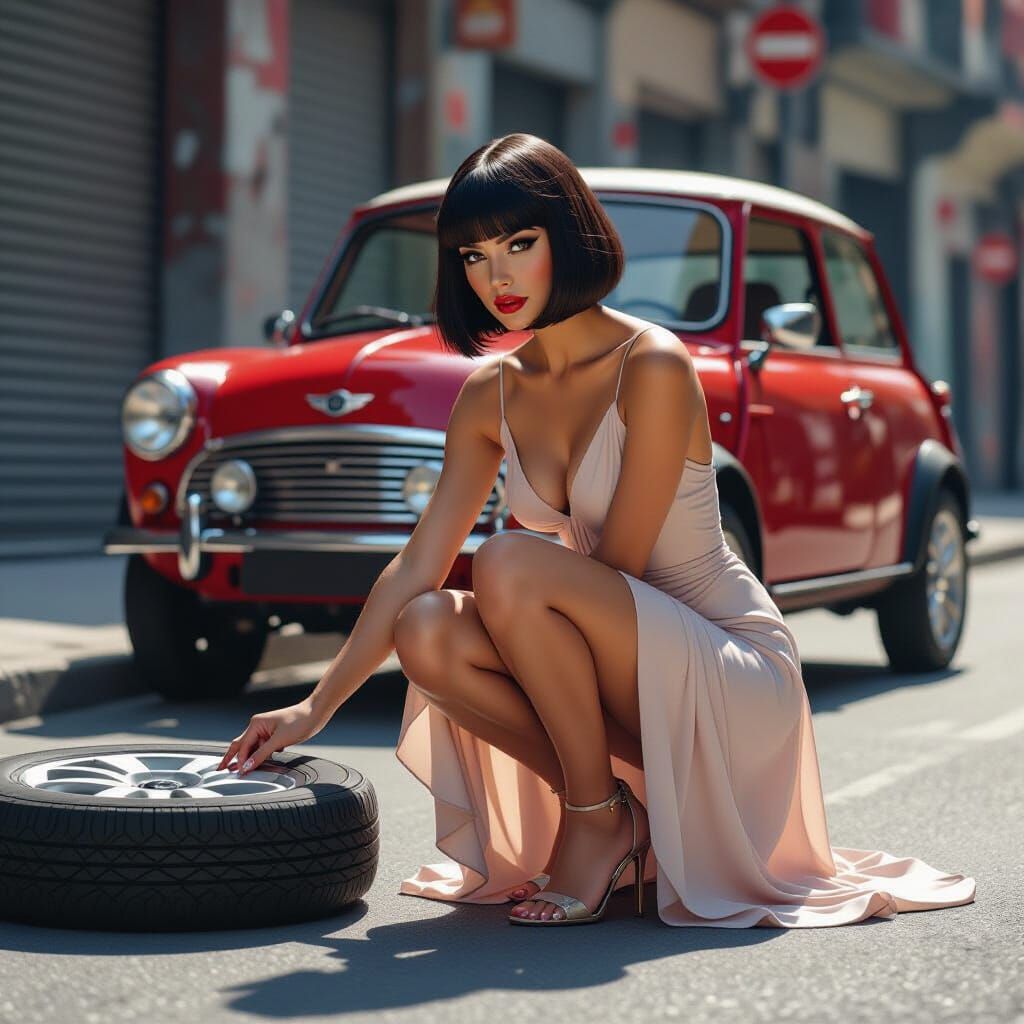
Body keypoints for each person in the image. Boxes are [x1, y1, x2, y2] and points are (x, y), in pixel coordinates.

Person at [219, 133, 976, 928]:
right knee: (429, 627)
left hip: (724, 663)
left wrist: (523, 623)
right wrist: (315, 705)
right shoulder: (489, 394)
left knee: (509, 560)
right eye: (473, 256)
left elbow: (622, 570)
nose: (498, 275)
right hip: (615, 658)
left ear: (569, 235)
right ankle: (615, 811)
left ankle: (595, 820)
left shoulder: (653, 363)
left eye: (520, 242)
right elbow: (419, 561)